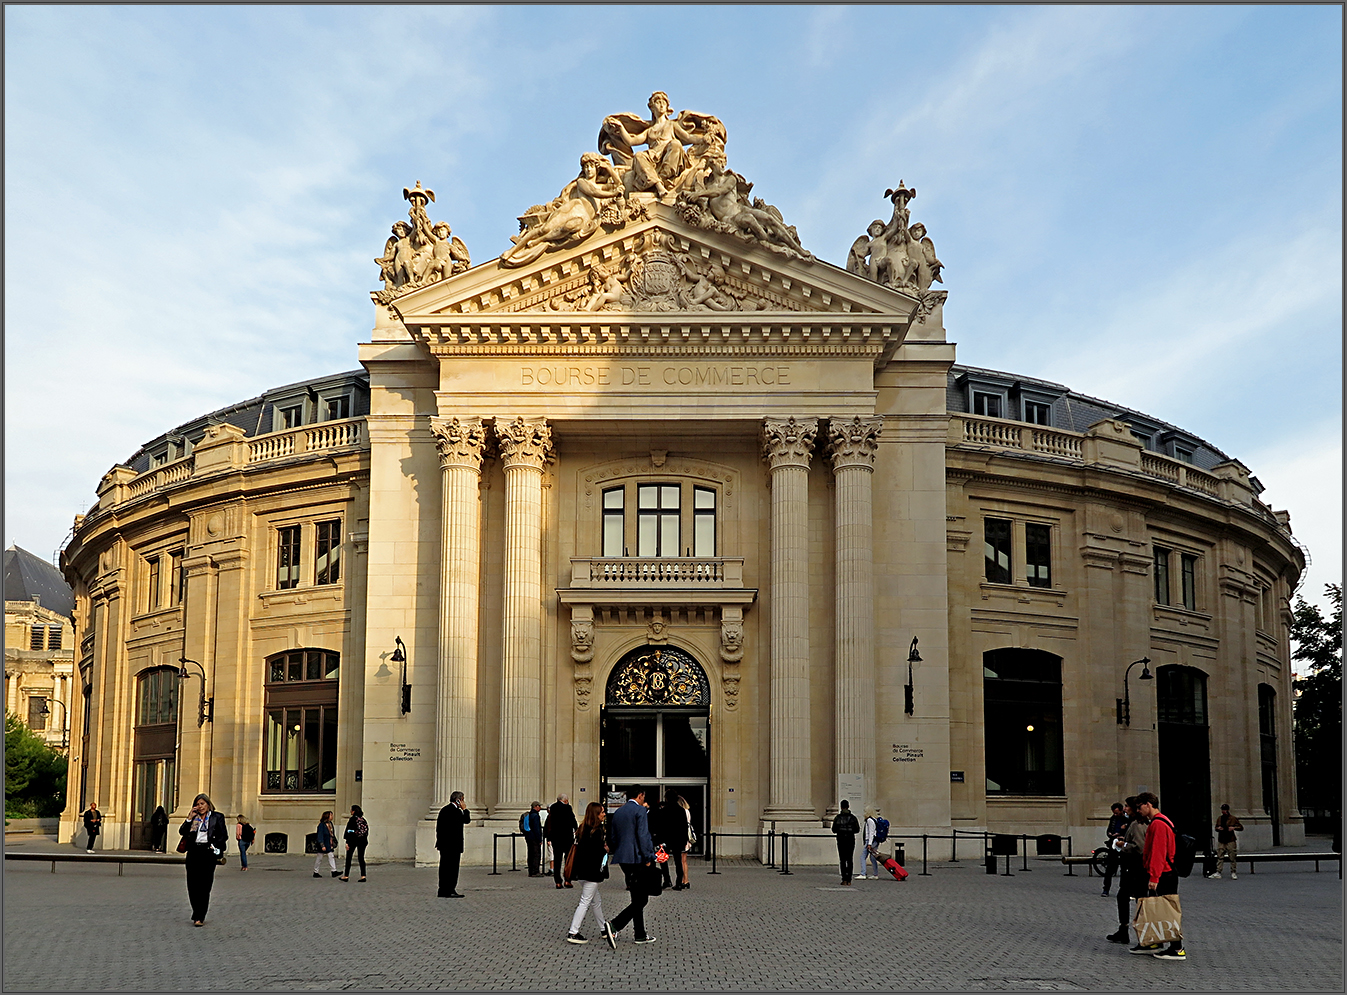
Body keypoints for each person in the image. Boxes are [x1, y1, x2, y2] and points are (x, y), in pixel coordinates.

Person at [1134, 791, 1186, 960]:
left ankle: (1177, 948)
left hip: (1164, 873)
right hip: (1166, 872)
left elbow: (1158, 852)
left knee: (1167, 911)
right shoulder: (1162, 821)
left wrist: (1154, 877)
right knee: (1165, 910)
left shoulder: (1158, 824)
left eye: (1139, 807)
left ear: (1148, 804)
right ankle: (1159, 942)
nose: (1138, 810)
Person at [603, 784, 657, 946]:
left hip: (623, 858)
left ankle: (640, 934)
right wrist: (649, 856)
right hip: (637, 857)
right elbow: (643, 835)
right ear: (640, 795)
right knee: (642, 899)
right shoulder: (640, 811)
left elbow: (613, 836)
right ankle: (614, 925)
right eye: (644, 797)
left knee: (636, 896)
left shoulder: (619, 811)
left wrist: (617, 849)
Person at [178, 793, 228, 926]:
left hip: (208, 852)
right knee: (192, 885)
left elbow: (224, 835)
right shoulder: (194, 819)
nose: (200, 807)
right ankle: (196, 911)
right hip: (194, 851)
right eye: (197, 804)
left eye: (202, 804)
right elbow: (182, 832)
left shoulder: (217, 817)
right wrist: (189, 818)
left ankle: (200, 916)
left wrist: (214, 846)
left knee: (205, 885)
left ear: (208, 804)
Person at [565, 802, 611, 944]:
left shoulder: (582, 828)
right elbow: (596, 853)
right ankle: (573, 931)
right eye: (602, 812)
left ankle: (603, 928)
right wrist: (606, 850)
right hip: (592, 871)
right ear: (596, 814)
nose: (604, 814)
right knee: (585, 901)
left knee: (595, 901)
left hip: (582, 871)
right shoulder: (597, 831)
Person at [1107, 797, 1149, 944]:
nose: (1124, 809)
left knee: (1135, 898)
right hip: (1132, 868)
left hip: (1135, 868)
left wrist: (1123, 844)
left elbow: (1139, 847)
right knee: (1126, 897)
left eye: (1127, 806)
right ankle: (1124, 930)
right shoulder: (1134, 823)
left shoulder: (1138, 824)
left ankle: (1139, 934)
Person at [436, 791, 470, 898]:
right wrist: (465, 809)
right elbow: (467, 820)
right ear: (458, 800)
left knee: (444, 868)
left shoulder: (444, 810)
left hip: (445, 845)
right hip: (452, 845)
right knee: (452, 869)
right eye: (463, 799)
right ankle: (449, 890)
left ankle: (443, 890)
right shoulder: (455, 811)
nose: (464, 802)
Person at [547, 794, 578, 889]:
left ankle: (558, 882)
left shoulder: (553, 807)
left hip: (556, 838)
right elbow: (572, 820)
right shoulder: (567, 808)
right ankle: (567, 880)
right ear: (565, 800)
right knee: (568, 860)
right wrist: (576, 829)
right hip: (567, 838)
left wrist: (549, 837)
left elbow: (550, 822)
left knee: (557, 860)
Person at [1209, 804, 1243, 880]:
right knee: (1220, 856)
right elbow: (1216, 828)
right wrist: (1218, 828)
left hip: (1230, 839)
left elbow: (1240, 827)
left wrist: (1233, 828)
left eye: (1224, 810)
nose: (1223, 811)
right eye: (1222, 810)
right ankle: (1218, 871)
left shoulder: (1233, 818)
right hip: (1222, 839)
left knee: (1232, 856)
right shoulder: (1220, 818)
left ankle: (1233, 872)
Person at [831, 800, 861, 885]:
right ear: (848, 806)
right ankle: (849, 880)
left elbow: (834, 830)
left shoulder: (838, 818)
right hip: (850, 840)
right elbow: (857, 830)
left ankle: (844, 879)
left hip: (841, 840)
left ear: (841, 807)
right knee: (850, 859)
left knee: (842, 860)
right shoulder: (853, 818)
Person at [1102, 802, 1127, 897]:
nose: (1115, 814)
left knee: (1124, 869)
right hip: (1113, 844)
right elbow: (1109, 829)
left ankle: (1123, 889)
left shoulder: (1126, 819)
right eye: (1114, 813)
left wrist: (1120, 833)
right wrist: (1110, 833)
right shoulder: (1113, 818)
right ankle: (1106, 889)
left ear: (1121, 811)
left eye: (1117, 812)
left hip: (1123, 844)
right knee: (1109, 868)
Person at [340, 805, 369, 882]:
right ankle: (363, 876)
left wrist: (347, 842)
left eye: (351, 810)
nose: (350, 811)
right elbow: (366, 832)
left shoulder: (352, 820)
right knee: (361, 858)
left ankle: (346, 876)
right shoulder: (363, 820)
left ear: (353, 811)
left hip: (353, 840)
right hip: (363, 841)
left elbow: (349, 831)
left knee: (349, 858)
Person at [675, 794, 694, 890]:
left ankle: (684, 880)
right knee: (684, 861)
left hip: (682, 836)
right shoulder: (688, 811)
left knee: (681, 861)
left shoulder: (682, 812)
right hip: (687, 837)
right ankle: (686, 880)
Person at [521, 801, 545, 877]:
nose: (540, 808)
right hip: (534, 838)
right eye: (539, 806)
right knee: (536, 854)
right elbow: (536, 829)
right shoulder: (535, 816)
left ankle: (531, 871)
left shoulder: (528, 815)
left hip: (528, 837)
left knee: (530, 854)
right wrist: (539, 839)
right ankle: (535, 871)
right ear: (536, 806)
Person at [313, 810, 338, 878]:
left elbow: (332, 834)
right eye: (331, 815)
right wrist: (322, 845)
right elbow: (320, 835)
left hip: (329, 843)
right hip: (323, 843)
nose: (332, 817)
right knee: (319, 858)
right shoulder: (321, 825)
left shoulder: (330, 824)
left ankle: (334, 871)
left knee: (331, 856)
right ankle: (316, 871)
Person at [862, 807, 882, 880]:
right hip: (875, 840)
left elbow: (871, 833)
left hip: (871, 841)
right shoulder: (874, 819)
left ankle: (863, 873)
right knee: (872, 858)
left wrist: (869, 844)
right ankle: (875, 874)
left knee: (863, 857)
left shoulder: (869, 820)